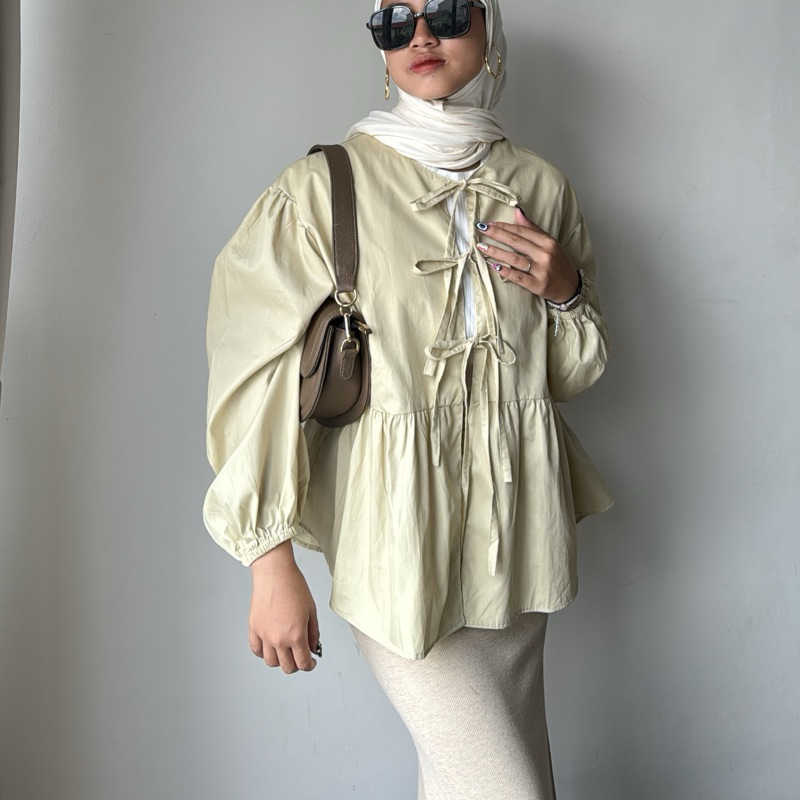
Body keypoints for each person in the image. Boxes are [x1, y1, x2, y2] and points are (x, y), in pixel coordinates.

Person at [203, 1, 612, 797]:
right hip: (395, 545)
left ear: (490, 30)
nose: (420, 34)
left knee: (488, 778)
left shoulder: (538, 185)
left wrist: (565, 291)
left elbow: (565, 376)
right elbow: (250, 374)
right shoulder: (320, 190)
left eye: (448, 13)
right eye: (394, 20)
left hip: (520, 537)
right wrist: (268, 558)